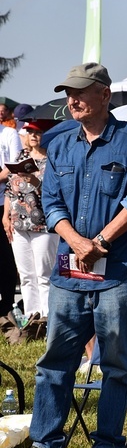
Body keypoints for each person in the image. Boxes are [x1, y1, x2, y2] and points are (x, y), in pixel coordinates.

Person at [23, 63, 127, 448]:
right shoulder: (61, 141)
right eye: (68, 92)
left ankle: (107, 446)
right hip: (69, 272)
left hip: (117, 270)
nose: (72, 99)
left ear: (105, 94)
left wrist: (100, 241)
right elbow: (51, 202)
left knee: (115, 364)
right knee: (55, 362)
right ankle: (44, 444)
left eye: (81, 91)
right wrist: (77, 241)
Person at [2, 121, 60, 318]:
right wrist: (5, 216)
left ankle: (47, 317)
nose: (34, 136)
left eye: (39, 132)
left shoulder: (51, 159)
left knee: (44, 274)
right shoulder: (21, 157)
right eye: (30, 132)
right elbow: (10, 190)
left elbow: (55, 193)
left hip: (43, 223)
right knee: (26, 275)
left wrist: (35, 181)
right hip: (19, 223)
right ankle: (32, 316)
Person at [0, 121, 22, 316]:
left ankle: (7, 304)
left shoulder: (8, 134)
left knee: (6, 257)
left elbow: (14, 166)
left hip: (2, 203)